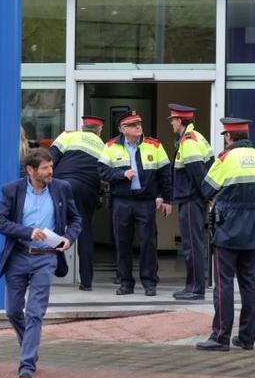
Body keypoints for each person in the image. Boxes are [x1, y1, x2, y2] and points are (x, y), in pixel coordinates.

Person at [0, 148, 81, 378]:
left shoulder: (62, 188)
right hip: (19, 256)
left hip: (46, 258)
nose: (50, 171)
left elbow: (76, 220)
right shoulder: (13, 190)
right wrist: (27, 231)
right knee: (12, 311)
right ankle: (28, 346)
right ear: (30, 170)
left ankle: (26, 368)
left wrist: (69, 238)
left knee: (35, 313)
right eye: (45, 168)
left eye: (51, 166)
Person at [195, 117, 255, 352]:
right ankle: (247, 337)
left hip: (228, 230)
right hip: (253, 230)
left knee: (224, 284)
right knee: (248, 282)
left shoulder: (226, 158)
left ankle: (220, 337)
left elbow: (206, 188)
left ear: (228, 137)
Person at [98, 109, 172, 297]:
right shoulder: (111, 146)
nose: (138, 127)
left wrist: (165, 197)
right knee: (122, 243)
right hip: (122, 201)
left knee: (148, 242)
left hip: (146, 201)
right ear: (123, 129)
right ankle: (125, 282)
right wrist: (121, 174)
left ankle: (149, 282)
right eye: (133, 124)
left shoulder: (154, 145)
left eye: (139, 123)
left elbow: (165, 174)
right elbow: (102, 172)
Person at [50, 115, 106, 291]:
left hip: (62, 185)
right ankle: (86, 281)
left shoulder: (68, 136)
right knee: (85, 232)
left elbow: (50, 158)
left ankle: (57, 268)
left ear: (83, 127)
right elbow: (105, 175)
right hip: (87, 190)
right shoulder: (104, 147)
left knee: (54, 227)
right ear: (99, 131)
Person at [168, 104, 213, 301]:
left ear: (180, 121)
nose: (171, 123)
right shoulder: (195, 137)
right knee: (193, 243)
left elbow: (198, 173)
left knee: (192, 244)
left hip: (191, 200)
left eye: (172, 120)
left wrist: (206, 196)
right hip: (193, 199)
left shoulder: (188, 141)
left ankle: (195, 288)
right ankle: (193, 286)